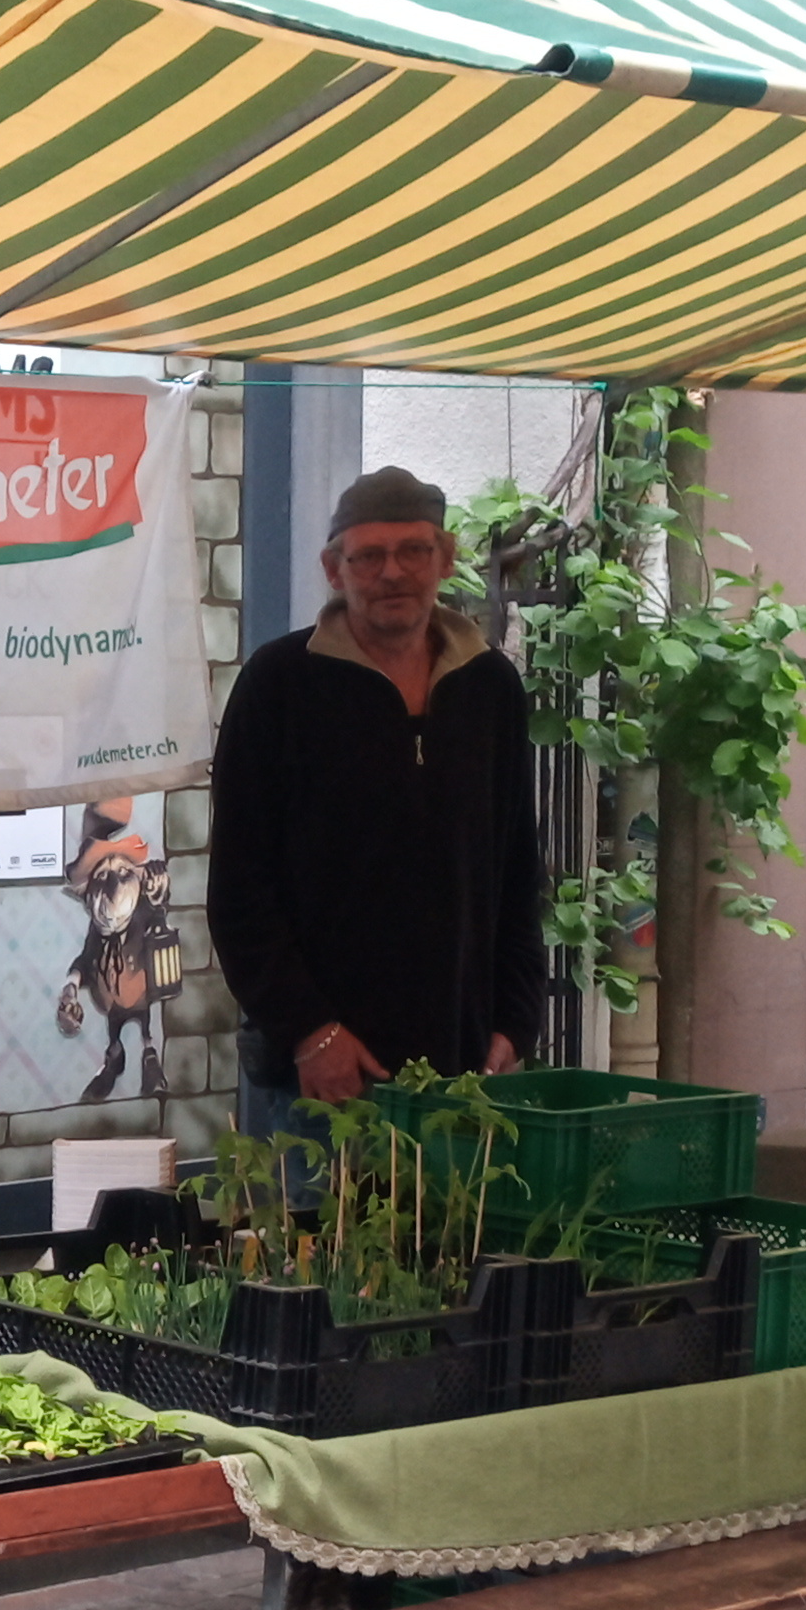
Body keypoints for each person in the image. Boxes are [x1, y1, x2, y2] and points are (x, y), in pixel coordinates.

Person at [209, 466, 544, 1137]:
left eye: (413, 550)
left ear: (445, 559)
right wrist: (310, 1032)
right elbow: (240, 890)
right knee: (316, 1245)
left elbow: (516, 866)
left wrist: (515, 1018)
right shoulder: (278, 687)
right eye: (369, 556)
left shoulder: (490, 688)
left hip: (464, 1072)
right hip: (321, 1083)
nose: (393, 572)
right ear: (335, 571)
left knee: (456, 1245)